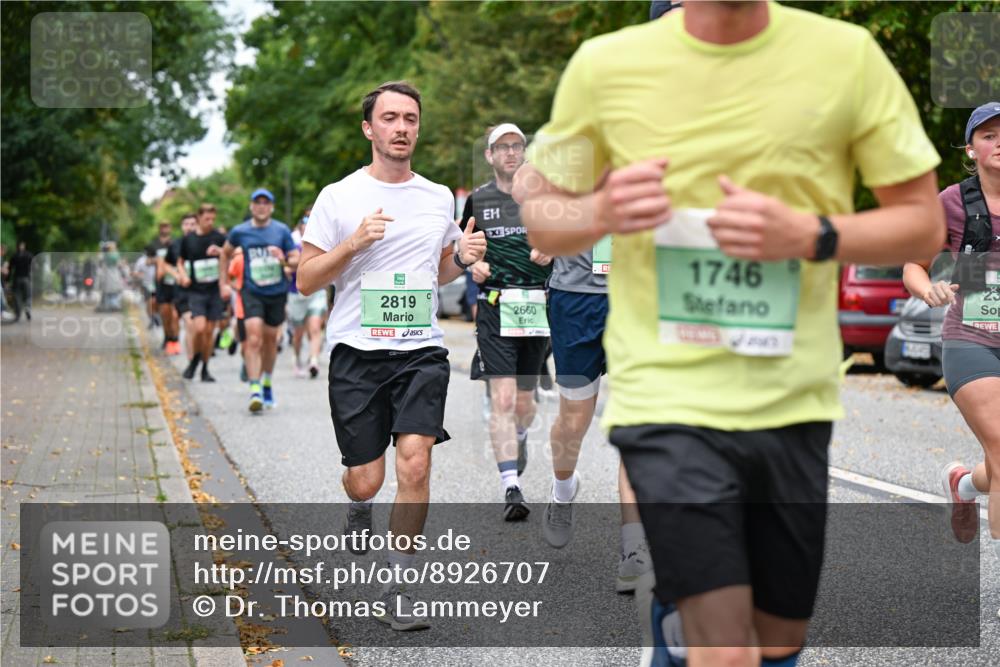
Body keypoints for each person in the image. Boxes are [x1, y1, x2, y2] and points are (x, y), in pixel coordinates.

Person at [515, 2, 945, 665]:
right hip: (666, 396)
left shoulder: (846, 56)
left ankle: (667, 639)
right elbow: (541, 218)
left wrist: (812, 233)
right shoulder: (608, 67)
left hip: (792, 399)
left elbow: (921, 224)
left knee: (776, 642)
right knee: (725, 647)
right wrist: (601, 208)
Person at [296, 81, 486, 631]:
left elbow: (440, 268)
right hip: (357, 351)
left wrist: (463, 256)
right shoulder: (339, 196)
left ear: (418, 128)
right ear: (369, 129)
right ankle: (357, 505)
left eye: (410, 118)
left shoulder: (436, 197)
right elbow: (307, 280)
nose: (401, 127)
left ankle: (399, 585)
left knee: (416, 461)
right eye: (390, 118)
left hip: (420, 350)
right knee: (367, 479)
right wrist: (352, 244)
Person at [903, 102, 1000, 556]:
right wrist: (929, 290)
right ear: (971, 148)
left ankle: (964, 485)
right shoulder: (953, 202)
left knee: (997, 463)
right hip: (972, 339)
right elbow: (913, 265)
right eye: (989, 134)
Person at [464, 123, 552, 522]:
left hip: (536, 305)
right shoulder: (478, 201)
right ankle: (510, 486)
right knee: (501, 398)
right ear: (490, 155)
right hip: (496, 304)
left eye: (518, 146)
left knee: (523, 403)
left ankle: (519, 437)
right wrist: (472, 264)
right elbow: (462, 249)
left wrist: (552, 251)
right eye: (503, 147)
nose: (511, 153)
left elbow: (571, 244)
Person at [219, 189, 299, 412]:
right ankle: (254, 389)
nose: (261, 206)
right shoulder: (240, 232)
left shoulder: (281, 231)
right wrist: (223, 283)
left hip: (276, 292)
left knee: (270, 340)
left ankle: (266, 382)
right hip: (251, 291)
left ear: (271, 207)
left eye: (266, 202)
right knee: (253, 338)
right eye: (257, 202)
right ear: (251, 206)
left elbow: (296, 260)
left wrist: (283, 259)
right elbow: (225, 254)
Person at [177, 204, 226, 382]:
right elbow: (180, 262)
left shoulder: (218, 237)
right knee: (199, 329)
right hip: (196, 291)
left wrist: (220, 251)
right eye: (207, 219)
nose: (210, 222)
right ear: (198, 218)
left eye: (213, 219)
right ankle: (195, 359)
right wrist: (182, 275)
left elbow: (233, 253)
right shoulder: (188, 240)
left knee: (208, 333)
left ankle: (204, 368)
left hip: (214, 291)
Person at [288, 207, 327, 378]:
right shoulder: (293, 241)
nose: (308, 224)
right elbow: (286, 262)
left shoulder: (325, 240)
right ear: (301, 225)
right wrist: (287, 264)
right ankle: (297, 358)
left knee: (315, 327)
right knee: (298, 334)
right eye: (305, 221)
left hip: (317, 291)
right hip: (296, 293)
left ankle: (313, 361)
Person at [10, 241, 33, 322]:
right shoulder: (29, 255)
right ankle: (27, 309)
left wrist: (7, 279)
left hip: (17, 278)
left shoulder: (14, 256)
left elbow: (10, 268)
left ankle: (18, 314)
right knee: (28, 296)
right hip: (26, 278)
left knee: (17, 297)